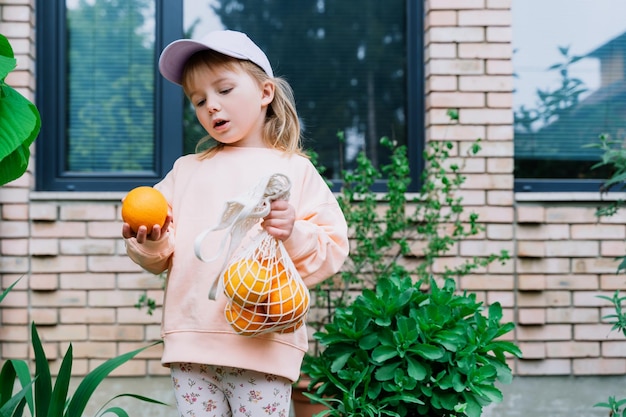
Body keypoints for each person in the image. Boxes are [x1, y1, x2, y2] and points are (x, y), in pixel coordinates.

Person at [122, 30, 349, 416]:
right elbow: (158, 254)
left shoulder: (294, 170)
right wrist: (151, 239)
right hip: (192, 346)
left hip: (264, 346)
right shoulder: (186, 171)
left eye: (224, 90)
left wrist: (292, 232)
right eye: (199, 100)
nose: (211, 106)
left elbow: (331, 251)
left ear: (265, 93)